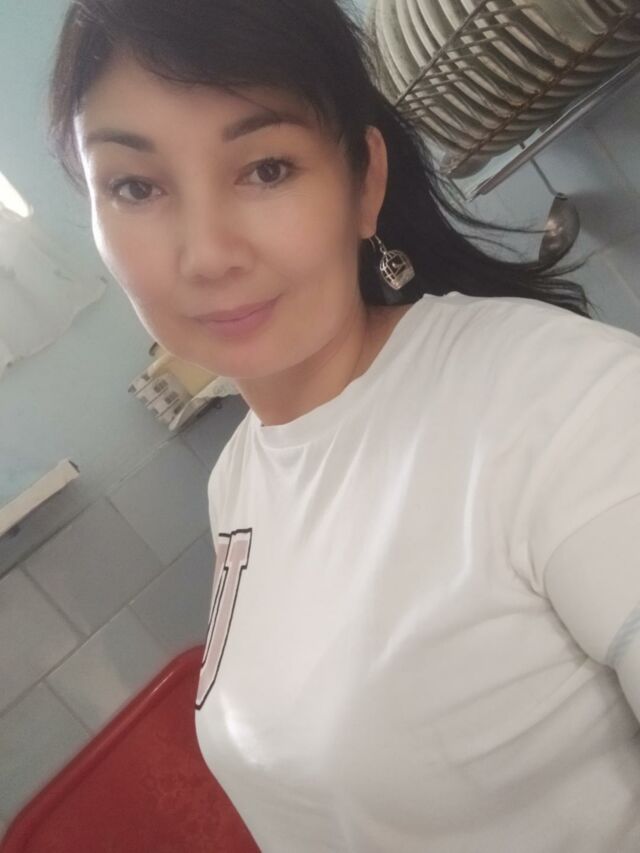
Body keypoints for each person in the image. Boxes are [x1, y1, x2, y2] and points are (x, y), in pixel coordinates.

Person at [48, 1, 640, 850]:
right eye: (136, 187)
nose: (207, 252)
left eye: (267, 168)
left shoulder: (557, 399)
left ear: (363, 182)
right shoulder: (239, 477)